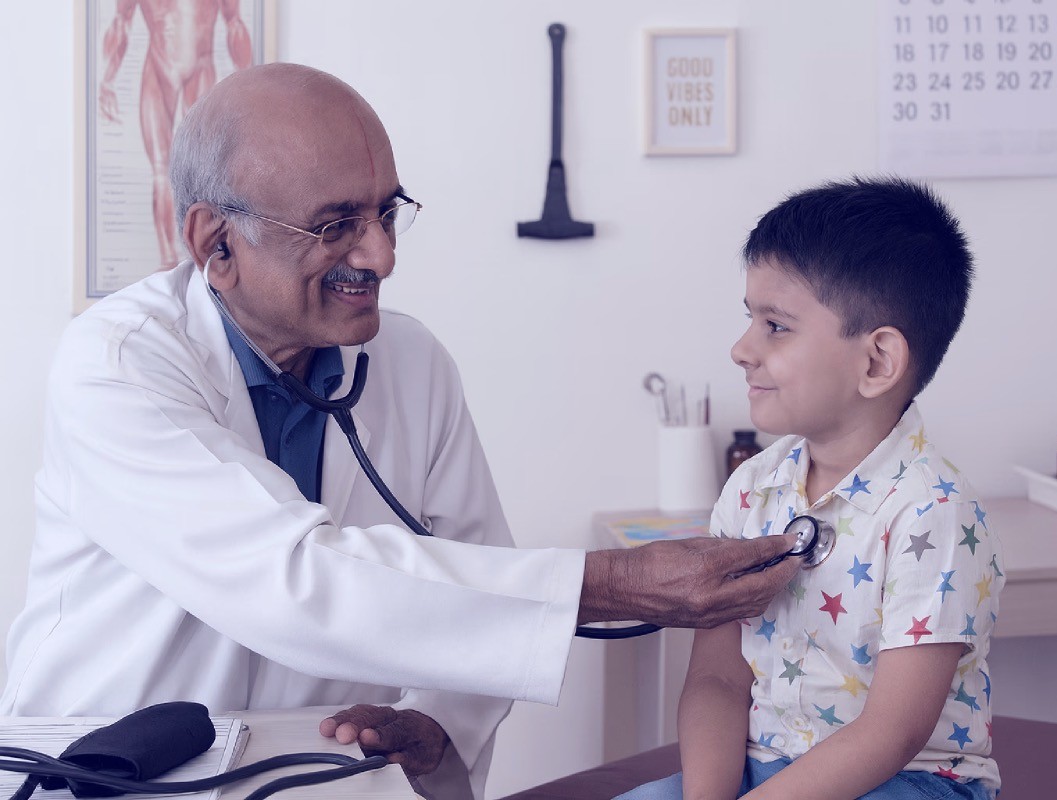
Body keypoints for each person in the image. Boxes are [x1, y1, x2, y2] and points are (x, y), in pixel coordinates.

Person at [0, 63, 802, 799]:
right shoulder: (118, 366)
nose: (381, 256)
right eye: (335, 226)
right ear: (218, 244)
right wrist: (619, 581)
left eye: (387, 212)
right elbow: (290, 578)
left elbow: (478, 565)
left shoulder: (411, 362)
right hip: (105, 769)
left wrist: (436, 721)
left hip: (306, 776)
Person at [617, 177, 1005, 800]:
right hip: (767, 769)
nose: (741, 349)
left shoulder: (933, 511)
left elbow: (892, 732)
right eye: (749, 318)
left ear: (876, 362)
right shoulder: (751, 489)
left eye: (775, 325)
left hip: (910, 781)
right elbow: (717, 680)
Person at [98, 0, 253, 270]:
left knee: (199, 176)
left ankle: (192, 266)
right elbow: (234, 24)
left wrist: (107, 81)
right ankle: (171, 264)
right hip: (167, 66)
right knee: (169, 172)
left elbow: (235, 24)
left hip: (184, 67)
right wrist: (107, 81)